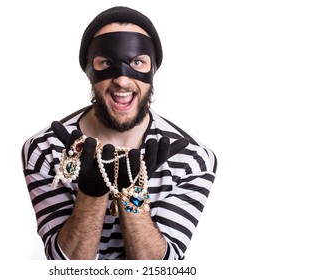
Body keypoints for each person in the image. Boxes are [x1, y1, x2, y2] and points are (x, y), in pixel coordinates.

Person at [21, 6, 217, 260]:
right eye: (106, 63)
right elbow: (63, 267)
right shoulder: (45, 149)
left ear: (153, 69)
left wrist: (132, 196)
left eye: (137, 62)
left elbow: (163, 271)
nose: (122, 81)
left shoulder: (192, 159)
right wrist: (91, 195)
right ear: (89, 70)